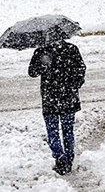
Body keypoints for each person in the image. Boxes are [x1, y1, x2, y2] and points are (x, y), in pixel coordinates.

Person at [28, 39, 86, 175]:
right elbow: (81, 70)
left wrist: (43, 65)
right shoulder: (71, 49)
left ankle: (60, 158)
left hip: (51, 98)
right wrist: (73, 86)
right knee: (67, 131)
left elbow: (32, 71)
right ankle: (67, 158)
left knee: (53, 131)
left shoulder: (42, 50)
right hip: (66, 98)